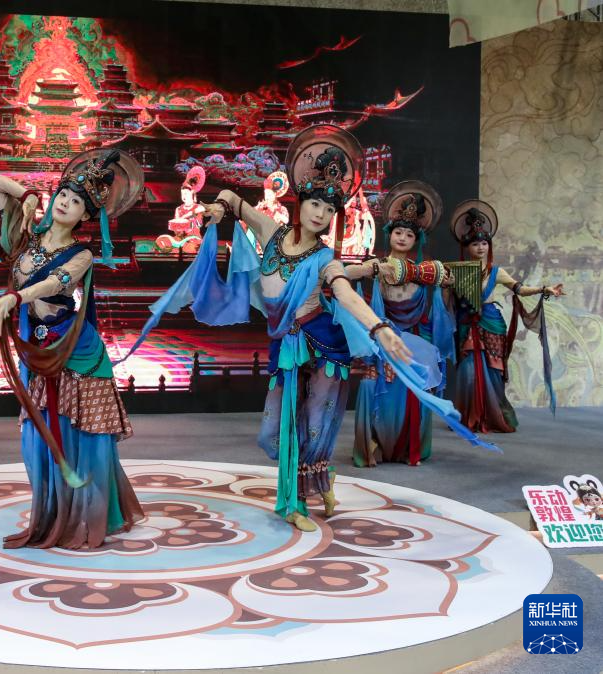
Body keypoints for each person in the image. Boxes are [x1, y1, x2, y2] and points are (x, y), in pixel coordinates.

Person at [122, 125, 496, 532]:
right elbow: (232, 197)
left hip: (324, 348)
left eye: (329, 209)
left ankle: (296, 501)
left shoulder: (324, 258)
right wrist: (218, 209)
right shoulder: (272, 232)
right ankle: (321, 479)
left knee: (312, 425)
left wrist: (378, 328)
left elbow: (345, 293)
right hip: (287, 344)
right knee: (276, 430)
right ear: (301, 201)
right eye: (315, 203)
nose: (320, 213)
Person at [0, 149, 145, 549]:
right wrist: (28, 196)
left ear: (86, 215)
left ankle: (87, 516)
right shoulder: (27, 235)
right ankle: (52, 512)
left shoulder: (82, 254)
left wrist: (17, 297)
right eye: (63, 195)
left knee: (84, 439)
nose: (65, 203)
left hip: (75, 350)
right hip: (39, 349)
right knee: (35, 440)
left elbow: (55, 283)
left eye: (75, 202)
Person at [347, 181, 456, 467]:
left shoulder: (427, 271)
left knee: (417, 388)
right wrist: (370, 269)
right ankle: (372, 448)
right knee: (370, 386)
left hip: (415, 339)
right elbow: (348, 277)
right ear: (389, 234)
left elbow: (439, 309)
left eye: (409, 234)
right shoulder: (378, 264)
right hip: (384, 338)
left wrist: (446, 287)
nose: (403, 237)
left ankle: (410, 449)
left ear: (416, 240)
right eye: (398, 232)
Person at [448, 199, 564, 433]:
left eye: (484, 243)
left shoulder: (496, 272)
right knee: (468, 371)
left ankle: (491, 415)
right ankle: (470, 416)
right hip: (468, 324)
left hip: (491, 322)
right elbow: (449, 302)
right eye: (475, 244)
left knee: (493, 371)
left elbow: (519, 289)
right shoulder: (456, 271)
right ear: (467, 247)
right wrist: (446, 285)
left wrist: (544, 289)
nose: (480, 248)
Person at [156, 166, 206, 254]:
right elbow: (176, 227)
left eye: (186, 193)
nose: (184, 196)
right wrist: (177, 228)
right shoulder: (178, 209)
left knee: (190, 247)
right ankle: (177, 249)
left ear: (193, 194)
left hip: (193, 239)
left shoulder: (198, 208)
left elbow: (198, 223)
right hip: (179, 238)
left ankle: (180, 250)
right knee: (161, 241)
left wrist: (184, 218)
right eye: (182, 194)